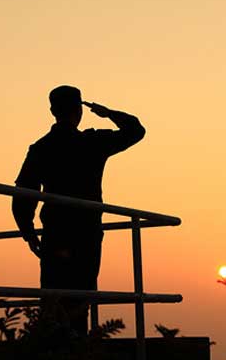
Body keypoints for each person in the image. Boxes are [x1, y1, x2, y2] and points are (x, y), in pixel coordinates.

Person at [12, 85, 145, 335]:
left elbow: (23, 194)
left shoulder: (41, 148)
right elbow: (136, 131)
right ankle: (76, 358)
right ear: (79, 110)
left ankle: (52, 356)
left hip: (55, 232)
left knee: (53, 297)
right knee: (80, 296)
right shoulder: (92, 143)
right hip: (86, 233)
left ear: (52, 110)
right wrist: (109, 113)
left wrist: (28, 233)